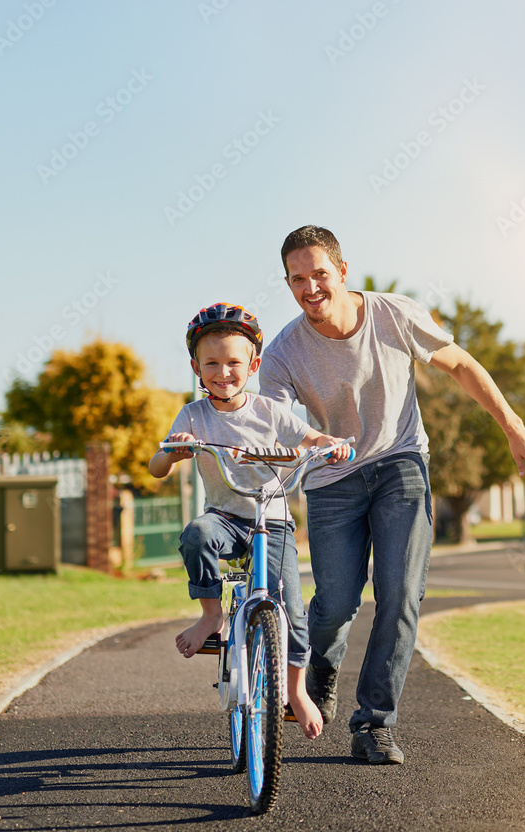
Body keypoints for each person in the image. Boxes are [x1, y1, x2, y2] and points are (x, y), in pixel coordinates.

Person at [259, 226, 525, 765]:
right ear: (288, 283)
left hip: (400, 464)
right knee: (336, 605)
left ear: (342, 272)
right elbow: (274, 422)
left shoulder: (394, 314)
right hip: (330, 479)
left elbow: (460, 363)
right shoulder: (282, 353)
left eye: (319, 274)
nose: (310, 288)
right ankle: (320, 673)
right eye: (297, 280)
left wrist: (513, 426)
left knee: (400, 593)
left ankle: (374, 723)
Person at [148, 302, 352, 740]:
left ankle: (295, 692)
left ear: (254, 365)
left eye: (234, 363)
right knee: (196, 534)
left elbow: (310, 437)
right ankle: (210, 615)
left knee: (293, 613)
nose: (223, 372)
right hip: (224, 517)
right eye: (212, 363)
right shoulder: (193, 416)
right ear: (196, 368)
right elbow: (155, 467)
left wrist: (328, 442)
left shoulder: (269, 412)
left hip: (271, 521)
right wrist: (175, 450)